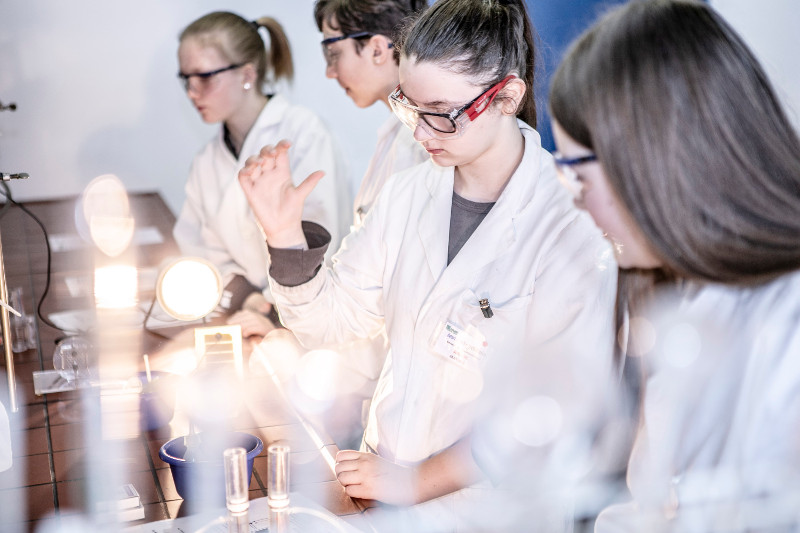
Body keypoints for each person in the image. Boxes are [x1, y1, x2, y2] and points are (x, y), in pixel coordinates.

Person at [241, 0, 617, 529]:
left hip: (493, 513)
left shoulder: (570, 226)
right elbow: (335, 323)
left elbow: (555, 413)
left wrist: (415, 482)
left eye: (441, 113)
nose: (420, 134)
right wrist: (283, 236)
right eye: (410, 108)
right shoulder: (408, 194)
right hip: (381, 489)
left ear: (507, 96)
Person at [548, 1, 800, 530]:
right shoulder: (670, 292)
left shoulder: (787, 322)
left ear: (653, 160)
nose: (573, 199)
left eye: (577, 173)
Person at [173, 11, 349, 338]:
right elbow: (200, 248)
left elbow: (323, 235)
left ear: (247, 74)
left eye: (204, 77)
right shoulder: (206, 161)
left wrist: (276, 315)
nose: (192, 92)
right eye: (186, 79)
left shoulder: (302, 132)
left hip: (310, 321)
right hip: (247, 316)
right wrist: (248, 298)